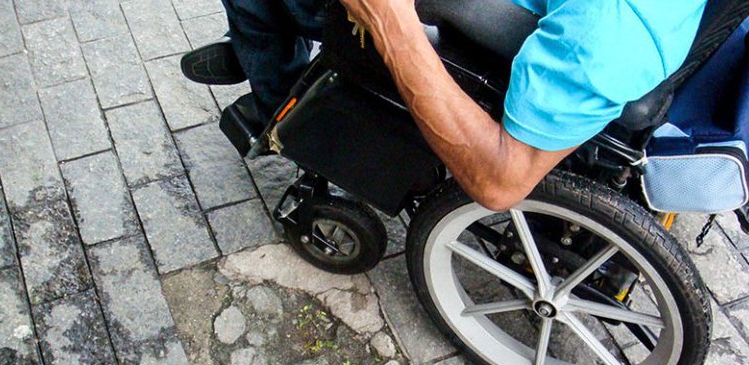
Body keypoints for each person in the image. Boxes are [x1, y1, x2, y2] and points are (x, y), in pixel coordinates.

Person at [181, 0, 707, 211]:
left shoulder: (604, 38)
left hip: (470, 28)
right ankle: (266, 45)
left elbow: (499, 181)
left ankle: (278, 103)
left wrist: (390, 24)